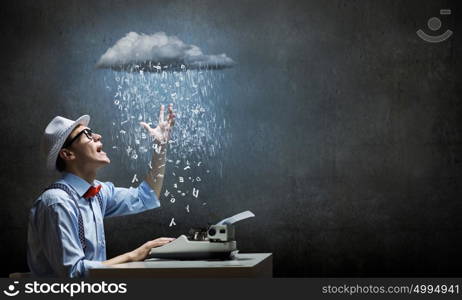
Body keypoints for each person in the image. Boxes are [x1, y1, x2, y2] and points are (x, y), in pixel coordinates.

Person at [27, 104, 176, 277]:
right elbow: (73, 274)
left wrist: (161, 146)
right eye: (88, 135)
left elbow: (145, 197)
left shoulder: (99, 192)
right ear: (68, 154)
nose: (98, 136)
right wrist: (134, 255)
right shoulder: (57, 202)